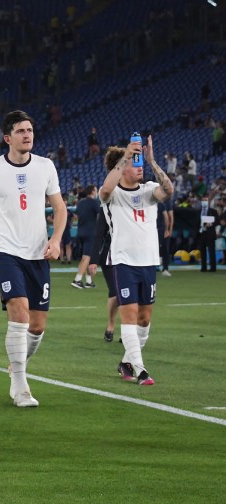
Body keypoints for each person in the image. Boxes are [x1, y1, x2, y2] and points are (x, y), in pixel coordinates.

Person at [0, 109, 66, 408]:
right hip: (6, 250)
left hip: (38, 253)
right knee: (19, 313)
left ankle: (16, 365)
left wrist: (56, 239)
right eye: (21, 131)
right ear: (8, 138)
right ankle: (20, 386)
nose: (27, 135)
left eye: (30, 130)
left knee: (37, 325)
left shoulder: (45, 166)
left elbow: (60, 208)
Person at [98, 135, 173, 386]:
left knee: (144, 320)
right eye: (135, 162)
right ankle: (141, 371)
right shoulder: (112, 194)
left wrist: (151, 161)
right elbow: (105, 189)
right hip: (124, 262)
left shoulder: (149, 189)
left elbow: (169, 190)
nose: (139, 167)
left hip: (148, 262)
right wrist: (125, 157)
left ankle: (126, 362)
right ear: (121, 167)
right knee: (129, 317)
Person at [87, 213, 118, 342]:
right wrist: (93, 260)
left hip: (133, 256)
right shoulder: (107, 206)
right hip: (110, 256)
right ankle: (111, 325)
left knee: (133, 295)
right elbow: (98, 234)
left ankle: (129, 330)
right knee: (115, 292)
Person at [71, 184, 102, 288]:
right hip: (91, 233)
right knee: (86, 257)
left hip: (80, 232)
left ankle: (89, 281)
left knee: (88, 257)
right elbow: (100, 217)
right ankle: (77, 279)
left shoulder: (81, 203)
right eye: (96, 190)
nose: (97, 192)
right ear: (92, 191)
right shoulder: (95, 202)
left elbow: (76, 215)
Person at [157, 194, 174, 277]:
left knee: (164, 249)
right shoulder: (160, 204)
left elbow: (168, 217)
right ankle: (164, 268)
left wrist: (167, 230)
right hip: (157, 229)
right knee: (163, 249)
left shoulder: (162, 204)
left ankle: (165, 268)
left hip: (160, 229)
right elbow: (167, 217)